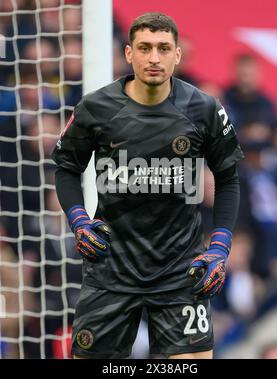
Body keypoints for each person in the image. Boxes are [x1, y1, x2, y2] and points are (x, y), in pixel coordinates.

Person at [52, 12, 244, 359]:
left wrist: (220, 246)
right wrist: (79, 219)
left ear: (177, 55)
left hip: (181, 272)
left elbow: (228, 178)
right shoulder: (96, 108)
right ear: (129, 54)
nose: (154, 58)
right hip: (110, 269)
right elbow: (66, 168)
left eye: (163, 48)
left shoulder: (204, 109)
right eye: (144, 48)